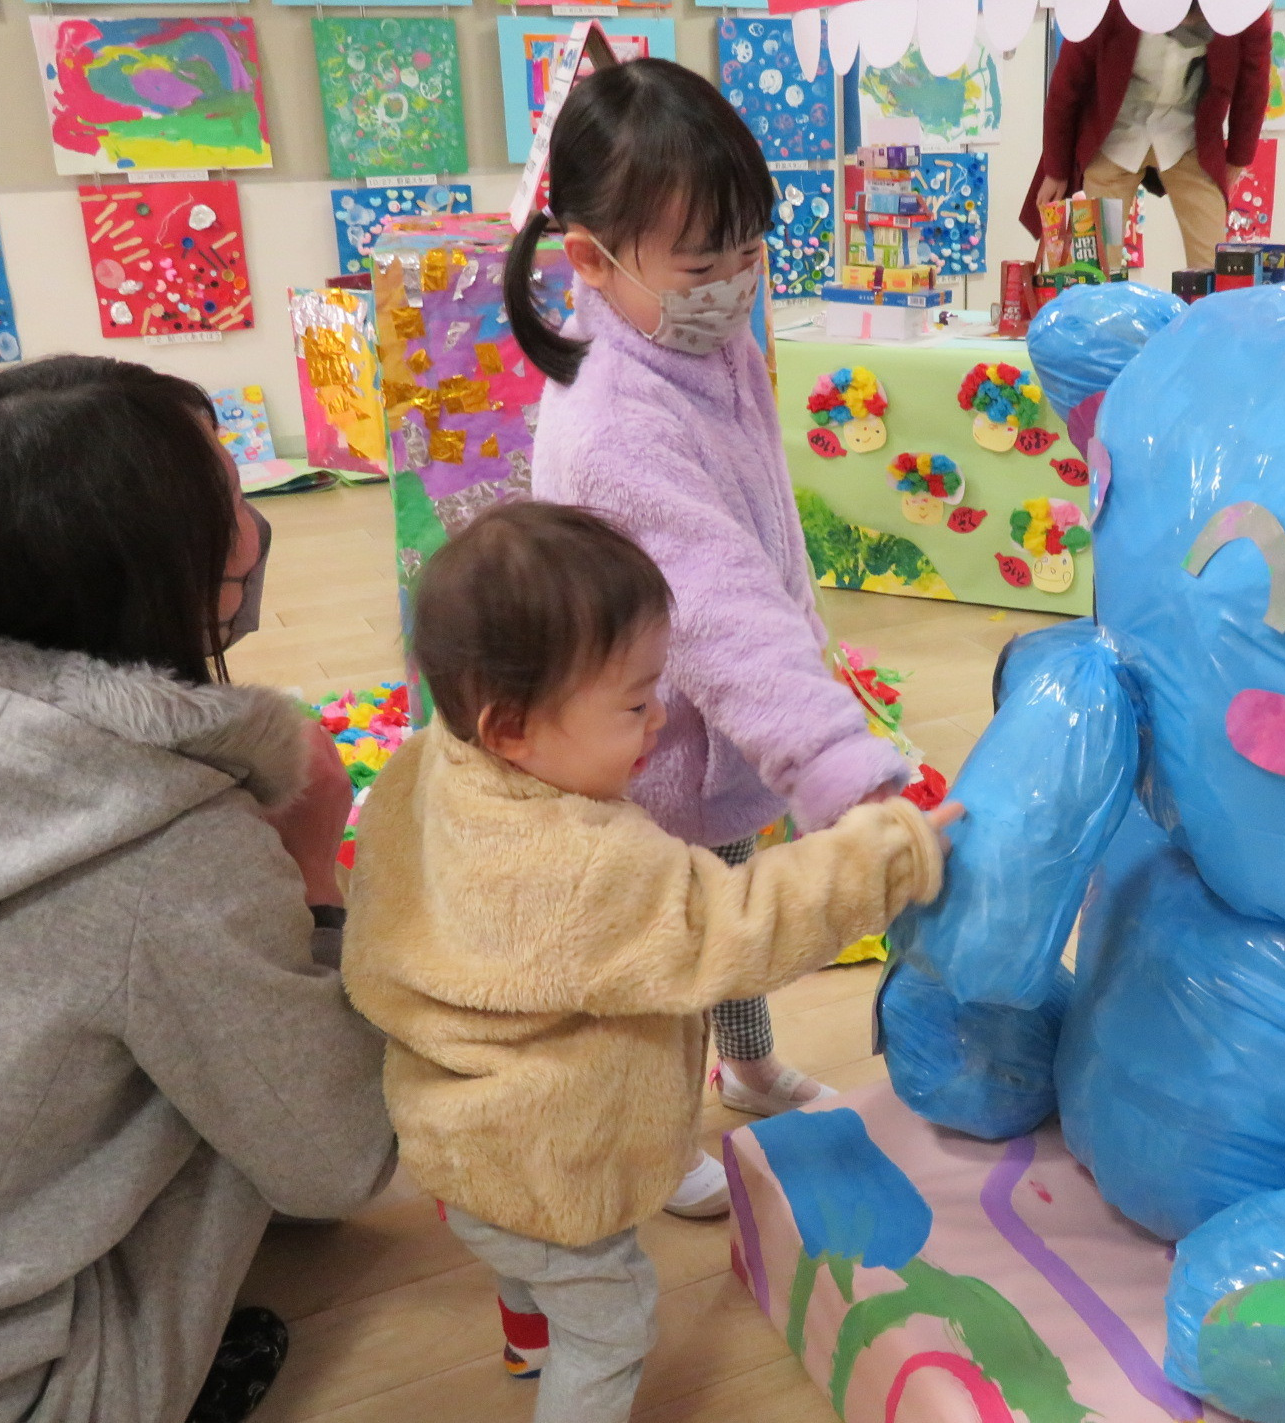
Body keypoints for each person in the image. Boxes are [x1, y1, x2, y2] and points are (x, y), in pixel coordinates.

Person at [0, 357, 396, 1423]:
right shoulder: (175, 853)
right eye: (227, 498)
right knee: (233, 1083)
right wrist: (315, 875)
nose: (249, 525)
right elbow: (340, 1159)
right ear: (156, 570)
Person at [342, 501, 955, 1422]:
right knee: (613, 1318)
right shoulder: (593, 864)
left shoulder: (421, 767)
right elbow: (740, 924)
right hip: (557, 1164)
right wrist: (887, 851)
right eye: (634, 703)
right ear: (509, 727)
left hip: (450, 1127)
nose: (660, 716)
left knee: (521, 1258)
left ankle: (526, 1336)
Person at [507, 58, 914, 1194]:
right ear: (588, 259)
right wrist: (842, 767)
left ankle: (747, 1070)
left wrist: (816, 646)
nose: (736, 285)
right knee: (663, 958)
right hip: (635, 747)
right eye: (704, 263)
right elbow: (718, 611)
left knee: (729, 909)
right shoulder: (609, 427)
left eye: (749, 254)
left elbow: (757, 528)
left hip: (711, 735)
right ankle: (648, 1132)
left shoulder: (699, 337)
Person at [1023, 2, 1274, 271]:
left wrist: (1237, 158)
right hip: (1114, 134)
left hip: (1188, 135)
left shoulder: (1246, 10)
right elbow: (1066, 85)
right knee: (1094, 265)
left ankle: (1207, 311)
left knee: (1213, 260)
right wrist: (1056, 170)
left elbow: (1254, 83)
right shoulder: (1107, 7)